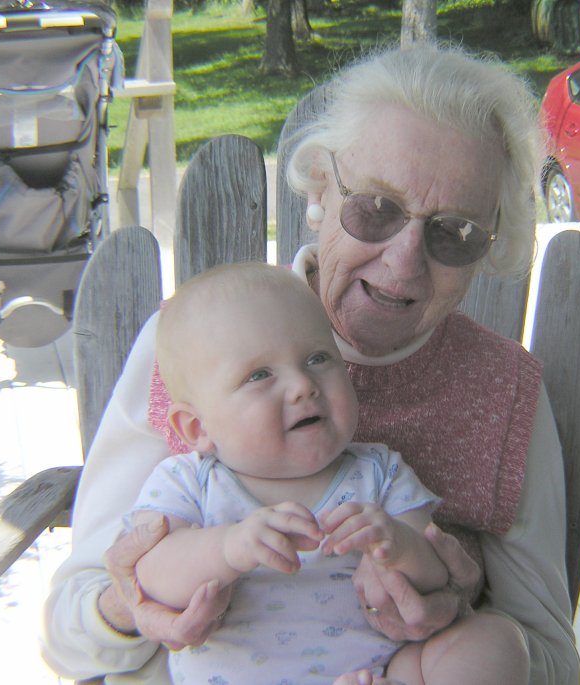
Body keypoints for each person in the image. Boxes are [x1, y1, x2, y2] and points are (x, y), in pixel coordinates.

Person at [42, 43, 579, 685]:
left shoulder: (503, 395)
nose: (403, 261)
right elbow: (70, 634)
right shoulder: (192, 345)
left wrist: (456, 608)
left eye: (455, 232)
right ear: (321, 186)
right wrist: (131, 606)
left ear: (489, 243)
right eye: (376, 208)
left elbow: (549, 658)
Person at [128, 261, 491, 684]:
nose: (303, 385)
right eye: (259, 375)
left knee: (492, 643)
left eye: (318, 358)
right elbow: (152, 578)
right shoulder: (188, 483)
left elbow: (433, 578)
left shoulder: (379, 472)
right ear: (196, 428)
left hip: (376, 673)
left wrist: (399, 545)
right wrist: (228, 548)